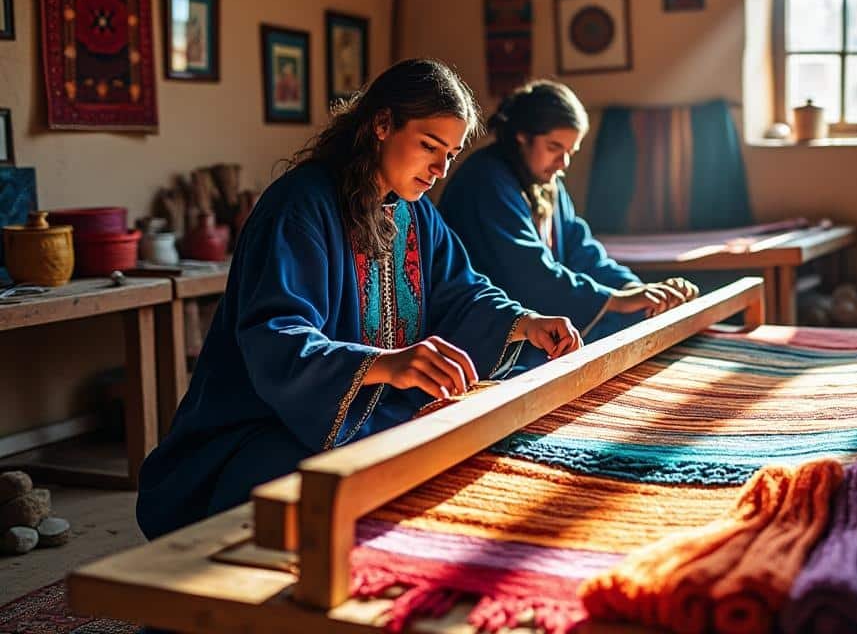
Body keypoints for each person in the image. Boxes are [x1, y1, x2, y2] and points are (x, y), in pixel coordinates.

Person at [137, 59, 581, 539]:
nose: (439, 169)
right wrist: (387, 365)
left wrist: (523, 321)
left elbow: (460, 291)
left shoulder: (416, 215)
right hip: (268, 424)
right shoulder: (300, 207)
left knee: (473, 439)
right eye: (429, 146)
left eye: (450, 155)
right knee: (338, 493)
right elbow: (277, 337)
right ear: (382, 124)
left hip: (370, 410)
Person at [439, 79, 698, 372]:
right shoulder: (486, 181)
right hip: (498, 330)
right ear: (522, 135)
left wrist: (638, 291)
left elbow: (581, 250)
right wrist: (615, 300)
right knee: (611, 331)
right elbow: (529, 273)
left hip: (544, 311)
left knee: (641, 317)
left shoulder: (547, 182)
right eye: (554, 147)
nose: (562, 163)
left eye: (569, 153)